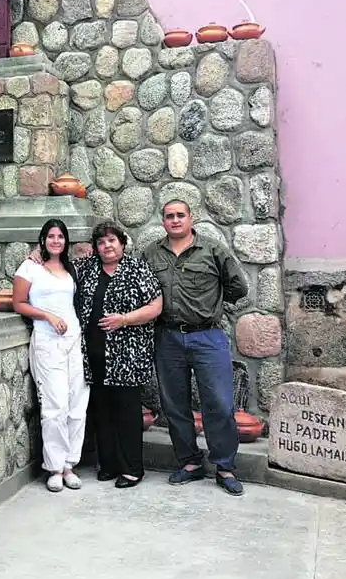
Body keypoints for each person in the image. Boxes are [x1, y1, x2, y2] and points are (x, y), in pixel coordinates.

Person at [30, 220, 163, 489]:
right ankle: (109, 464)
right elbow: (56, 268)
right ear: (96, 247)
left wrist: (124, 319)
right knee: (101, 411)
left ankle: (132, 469)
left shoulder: (136, 268)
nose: (107, 246)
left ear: (122, 243)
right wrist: (35, 253)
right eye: (101, 242)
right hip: (93, 354)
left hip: (127, 356)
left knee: (126, 412)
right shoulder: (86, 268)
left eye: (112, 241)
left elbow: (156, 305)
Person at [144, 200, 249, 497]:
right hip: (168, 338)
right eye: (169, 216)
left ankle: (225, 467)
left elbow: (238, 287)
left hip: (207, 337)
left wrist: (210, 305)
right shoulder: (151, 253)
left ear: (191, 218)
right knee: (174, 405)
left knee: (219, 402)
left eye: (180, 215)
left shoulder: (213, 250)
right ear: (162, 221)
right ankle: (190, 463)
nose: (175, 220)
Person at [13, 219, 88, 493]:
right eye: (51, 236)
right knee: (55, 406)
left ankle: (70, 465)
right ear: (42, 239)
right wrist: (47, 315)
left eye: (60, 236)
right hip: (47, 341)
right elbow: (19, 302)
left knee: (77, 404)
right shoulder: (30, 266)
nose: (56, 241)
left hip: (73, 340)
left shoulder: (70, 269)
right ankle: (55, 468)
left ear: (65, 241)